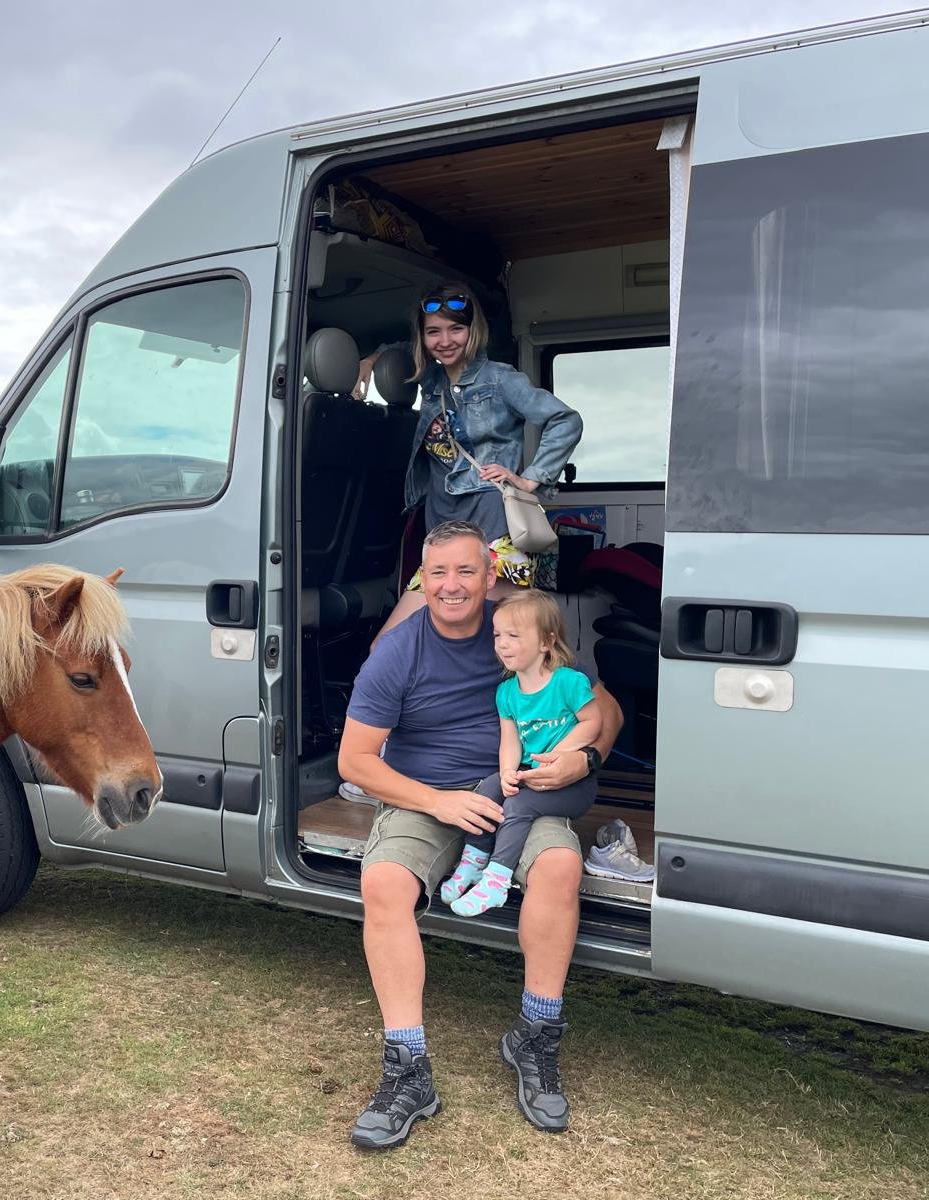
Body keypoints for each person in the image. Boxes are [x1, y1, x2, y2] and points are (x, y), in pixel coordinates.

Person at [338, 521, 623, 1149]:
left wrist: (585, 758)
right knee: (384, 884)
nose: (451, 586)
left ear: (489, 576)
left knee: (558, 869)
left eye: (466, 571)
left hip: (525, 791)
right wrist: (440, 801)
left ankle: (535, 1037)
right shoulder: (398, 651)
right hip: (427, 797)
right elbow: (355, 762)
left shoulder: (521, 629)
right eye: (437, 573)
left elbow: (606, 712)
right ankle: (408, 1070)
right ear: (421, 578)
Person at [359, 283, 582, 646]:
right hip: (443, 530)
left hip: (492, 530)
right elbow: (402, 347)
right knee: (386, 646)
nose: (445, 340)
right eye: (434, 331)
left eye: (456, 329)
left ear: (473, 330)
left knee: (504, 647)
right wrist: (371, 360)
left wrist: (530, 479)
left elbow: (565, 420)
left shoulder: (500, 378)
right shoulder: (431, 379)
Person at [440, 590, 601, 917]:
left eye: (513, 636)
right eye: (498, 635)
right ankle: (474, 859)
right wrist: (508, 771)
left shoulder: (568, 682)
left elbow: (593, 722)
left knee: (518, 805)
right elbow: (510, 741)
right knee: (488, 790)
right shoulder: (507, 692)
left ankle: (496, 880)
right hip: (529, 772)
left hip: (572, 784)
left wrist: (559, 755)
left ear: (546, 641)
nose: (502, 643)